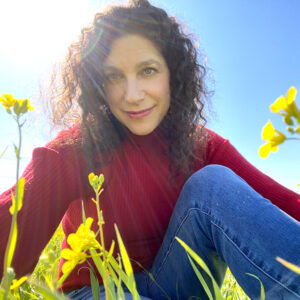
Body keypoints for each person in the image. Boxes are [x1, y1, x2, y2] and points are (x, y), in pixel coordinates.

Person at [1, 0, 300, 299]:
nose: (132, 95)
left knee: (212, 184)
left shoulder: (202, 144)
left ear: (173, 74)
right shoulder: (77, 148)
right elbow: (12, 226)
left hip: (174, 279)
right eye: (114, 76)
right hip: (96, 291)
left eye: (147, 70)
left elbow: (282, 206)